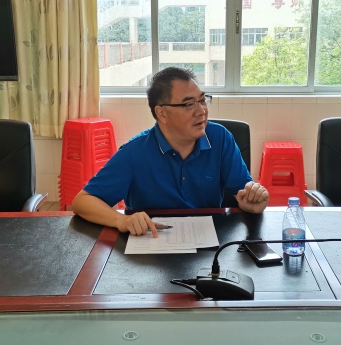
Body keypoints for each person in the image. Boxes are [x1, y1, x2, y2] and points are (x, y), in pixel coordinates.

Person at [72, 67, 269, 235]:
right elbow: (83, 201)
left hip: (208, 246)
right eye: (189, 104)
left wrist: (252, 200)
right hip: (150, 244)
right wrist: (121, 220)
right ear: (162, 113)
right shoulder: (134, 153)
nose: (201, 111)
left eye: (202, 100)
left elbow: (244, 192)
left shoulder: (221, 139)